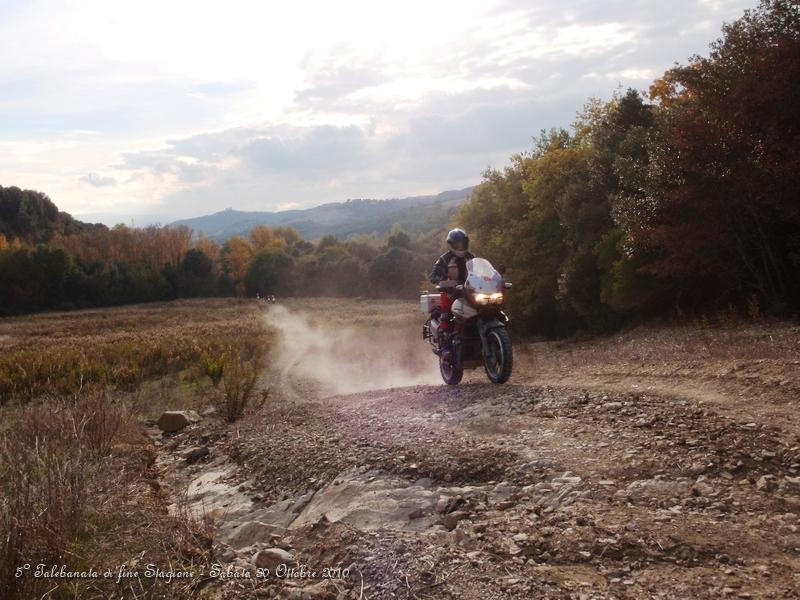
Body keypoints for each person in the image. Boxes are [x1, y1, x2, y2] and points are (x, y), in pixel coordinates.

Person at [429, 228, 474, 361]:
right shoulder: (444, 259)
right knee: (446, 315)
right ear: (451, 244)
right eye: (457, 244)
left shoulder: (471, 257)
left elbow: (480, 271)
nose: (460, 246)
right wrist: (443, 281)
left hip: (469, 292)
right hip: (450, 292)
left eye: (462, 243)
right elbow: (433, 276)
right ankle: (445, 348)